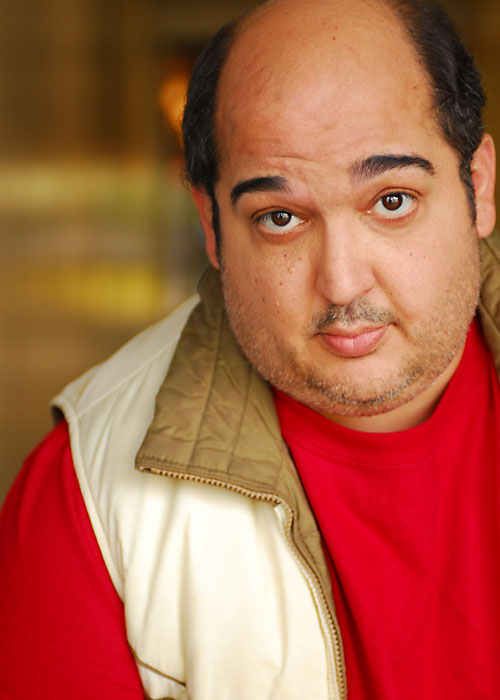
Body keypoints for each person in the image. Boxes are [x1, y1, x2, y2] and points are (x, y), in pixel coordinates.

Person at [1, 0, 499, 697]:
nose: (342, 281)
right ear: (211, 225)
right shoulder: (86, 496)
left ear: (478, 187)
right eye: (280, 217)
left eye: (392, 201)